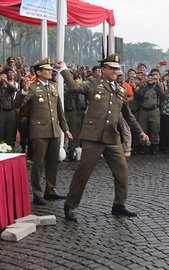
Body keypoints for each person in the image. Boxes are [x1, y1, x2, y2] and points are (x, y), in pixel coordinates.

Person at [56, 54, 150, 222]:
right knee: (83, 173)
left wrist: (140, 132)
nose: (115, 71)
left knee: (122, 172)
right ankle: (70, 205)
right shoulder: (93, 84)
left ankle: (119, 204)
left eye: (117, 69)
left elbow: (128, 116)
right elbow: (74, 86)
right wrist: (63, 69)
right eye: (112, 68)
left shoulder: (121, 90)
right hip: (93, 137)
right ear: (103, 69)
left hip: (112, 138)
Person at [14, 57, 72, 205]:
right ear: (39, 72)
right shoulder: (32, 88)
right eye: (47, 70)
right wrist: (23, 91)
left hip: (54, 130)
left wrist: (65, 129)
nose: (50, 72)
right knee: (38, 163)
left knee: (53, 162)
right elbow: (17, 104)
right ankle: (37, 193)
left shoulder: (53, 87)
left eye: (51, 70)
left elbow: (60, 111)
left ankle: (50, 189)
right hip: (39, 130)